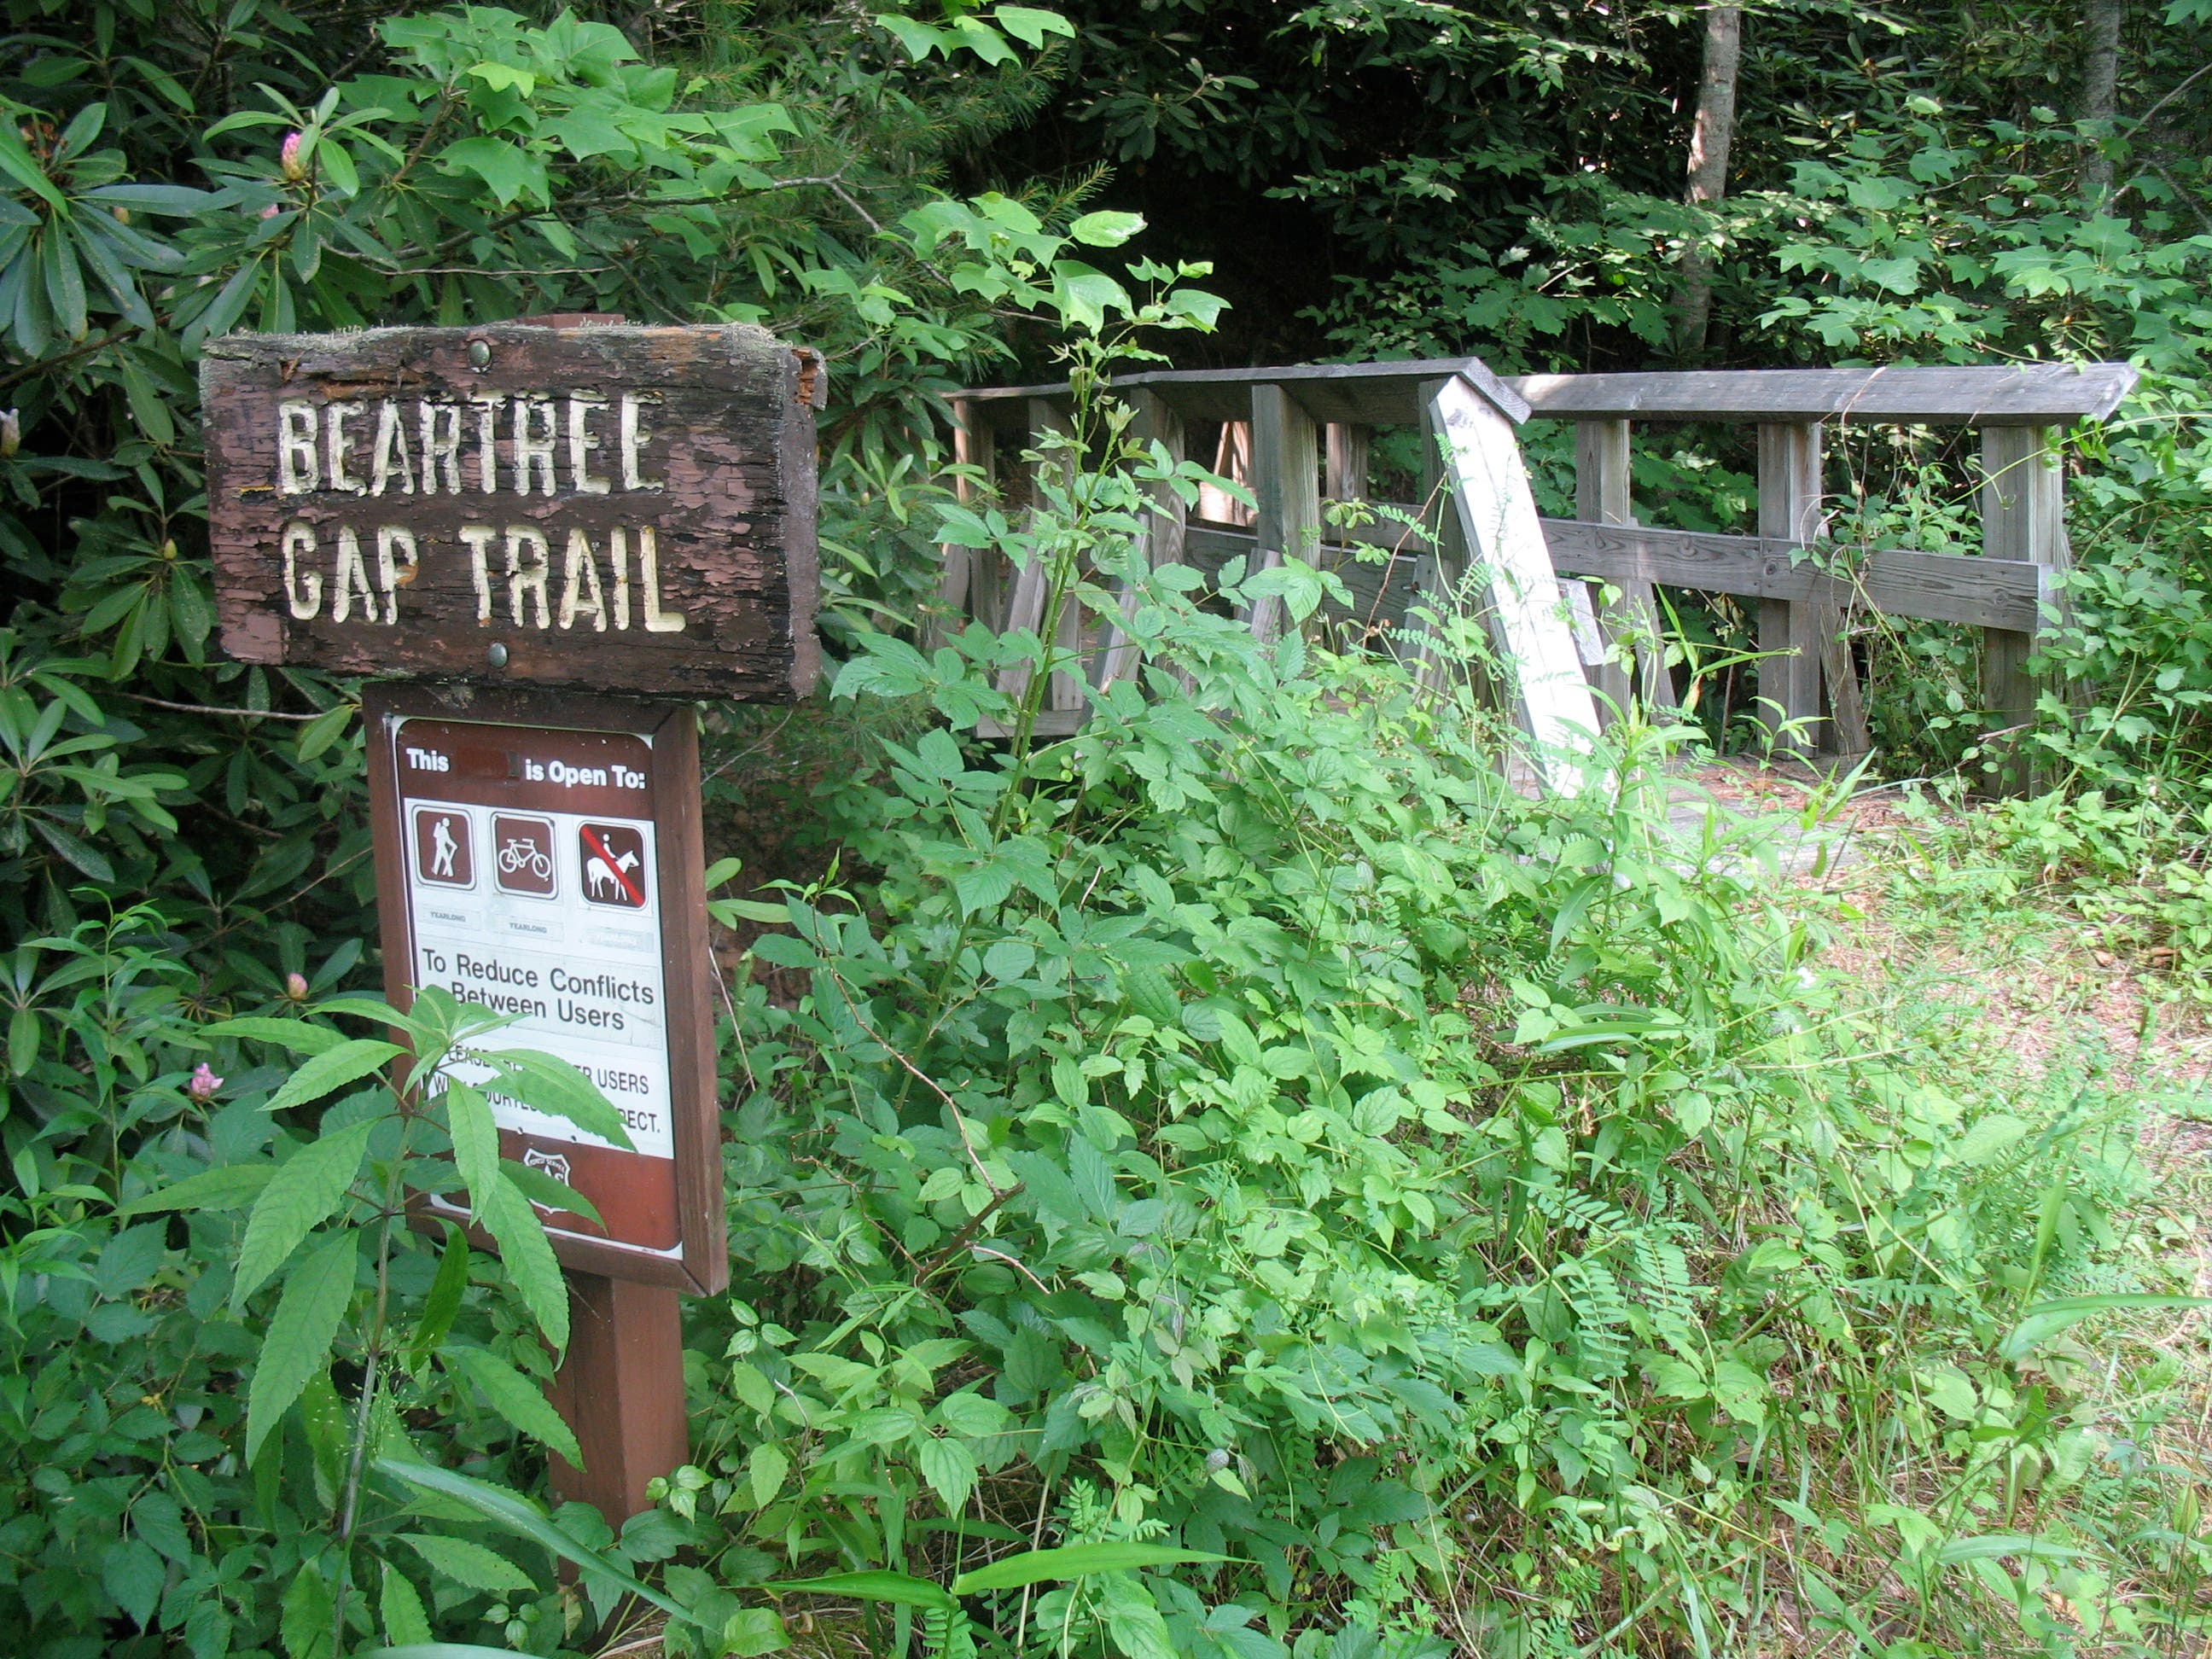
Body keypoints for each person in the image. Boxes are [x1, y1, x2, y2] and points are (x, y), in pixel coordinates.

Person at [431, 814, 458, 879]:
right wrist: (454, 845)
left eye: (448, 822)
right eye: (447, 822)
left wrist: (454, 845)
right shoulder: (443, 829)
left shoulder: (443, 829)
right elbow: (448, 840)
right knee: (447, 860)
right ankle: (450, 874)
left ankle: (437, 872)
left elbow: (447, 839)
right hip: (442, 847)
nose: (448, 823)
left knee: (440, 860)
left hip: (440, 847)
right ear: (444, 823)